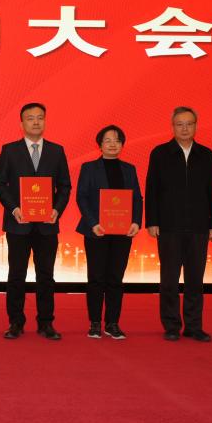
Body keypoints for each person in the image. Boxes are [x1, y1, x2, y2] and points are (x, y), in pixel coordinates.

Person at [0, 103, 72, 340]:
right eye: (30, 118)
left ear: (45, 121)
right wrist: (14, 208)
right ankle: (15, 322)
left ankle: (46, 322)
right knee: (16, 275)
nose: (36, 122)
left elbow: (65, 186)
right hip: (18, 223)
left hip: (47, 224)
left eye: (40, 118)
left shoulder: (56, 151)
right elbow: (0, 184)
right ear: (22, 124)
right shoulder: (10, 150)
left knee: (46, 275)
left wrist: (57, 210)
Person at [146, 106, 212, 343]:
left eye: (189, 124)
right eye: (180, 124)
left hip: (199, 226)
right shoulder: (160, 153)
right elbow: (152, 189)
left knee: (195, 280)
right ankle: (171, 325)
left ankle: (193, 326)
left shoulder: (207, 155)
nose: (185, 128)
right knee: (169, 279)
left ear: (196, 126)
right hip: (169, 226)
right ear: (173, 127)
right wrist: (152, 221)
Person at [75, 125, 143, 339]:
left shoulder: (129, 169)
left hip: (122, 232)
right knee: (96, 277)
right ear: (100, 145)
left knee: (115, 278)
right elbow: (82, 197)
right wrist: (93, 223)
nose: (113, 144)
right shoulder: (89, 168)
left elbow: (137, 198)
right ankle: (95, 323)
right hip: (96, 231)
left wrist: (136, 221)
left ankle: (112, 323)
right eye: (108, 140)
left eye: (117, 140)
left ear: (122, 145)